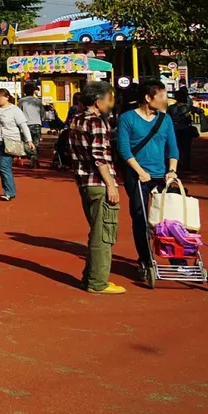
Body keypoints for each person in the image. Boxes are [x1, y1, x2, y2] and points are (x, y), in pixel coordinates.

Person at [116, 78, 179, 284]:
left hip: (162, 174)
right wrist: (140, 171)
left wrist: (172, 170)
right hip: (137, 175)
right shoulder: (127, 118)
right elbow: (124, 149)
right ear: (148, 97)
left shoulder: (165, 119)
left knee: (171, 217)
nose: (166, 100)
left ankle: (177, 259)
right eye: (162, 96)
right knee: (140, 217)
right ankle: (145, 259)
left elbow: (173, 148)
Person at [68, 83, 124, 293]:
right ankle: (97, 282)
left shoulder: (76, 120)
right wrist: (111, 184)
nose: (111, 103)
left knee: (96, 230)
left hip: (84, 181)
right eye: (109, 99)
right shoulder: (96, 123)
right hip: (98, 182)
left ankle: (91, 277)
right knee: (103, 234)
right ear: (98, 101)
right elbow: (100, 158)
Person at [0, 88, 35, 201]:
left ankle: (9, 192)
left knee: (4, 166)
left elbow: (23, 126)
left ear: (6, 97)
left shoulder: (15, 110)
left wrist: (29, 140)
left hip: (9, 141)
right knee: (0, 166)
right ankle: (9, 189)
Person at [168, 88, 199, 176]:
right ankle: (186, 165)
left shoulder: (171, 108)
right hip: (185, 129)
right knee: (186, 148)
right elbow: (200, 111)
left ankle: (175, 165)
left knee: (174, 147)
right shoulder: (189, 107)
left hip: (174, 129)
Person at [17, 82, 45, 165]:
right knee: (36, 143)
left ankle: (31, 155)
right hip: (37, 124)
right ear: (33, 91)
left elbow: (18, 112)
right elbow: (42, 112)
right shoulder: (38, 101)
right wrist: (40, 119)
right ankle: (35, 158)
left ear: (24, 91)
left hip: (25, 124)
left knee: (26, 142)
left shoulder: (21, 101)